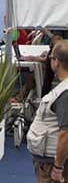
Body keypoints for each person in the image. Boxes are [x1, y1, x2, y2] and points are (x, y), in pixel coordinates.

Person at [28, 40, 68, 183]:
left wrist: (58, 167)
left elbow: (65, 134)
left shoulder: (65, 93)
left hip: (53, 166)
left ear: (56, 62)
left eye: (50, 58)